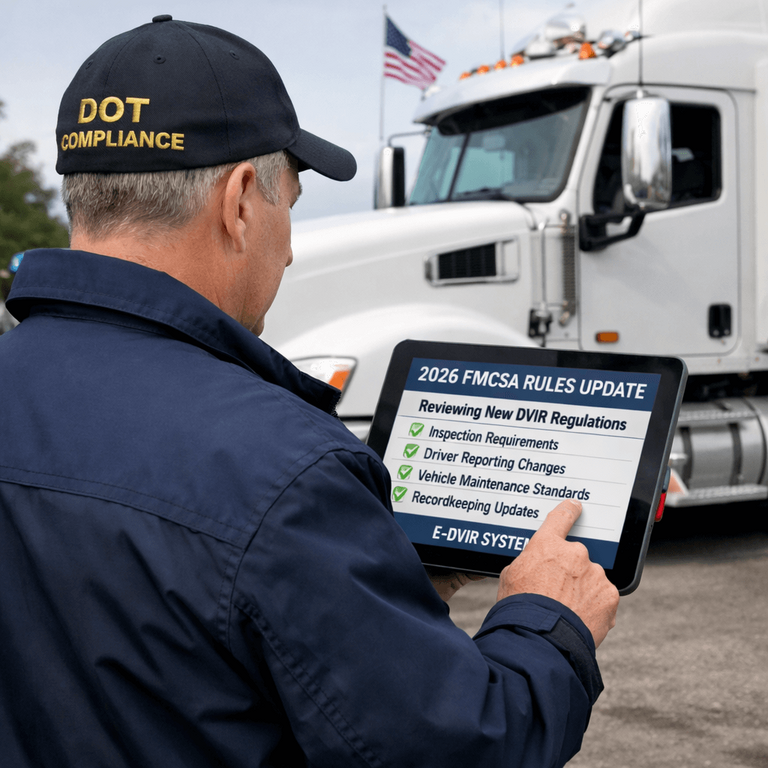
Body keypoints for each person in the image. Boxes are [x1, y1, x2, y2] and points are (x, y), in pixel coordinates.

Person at [0, 16, 618, 768]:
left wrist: (372, 583)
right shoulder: (284, 470)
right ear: (237, 202)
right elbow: (461, 745)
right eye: (288, 201)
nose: (289, 247)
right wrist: (546, 619)